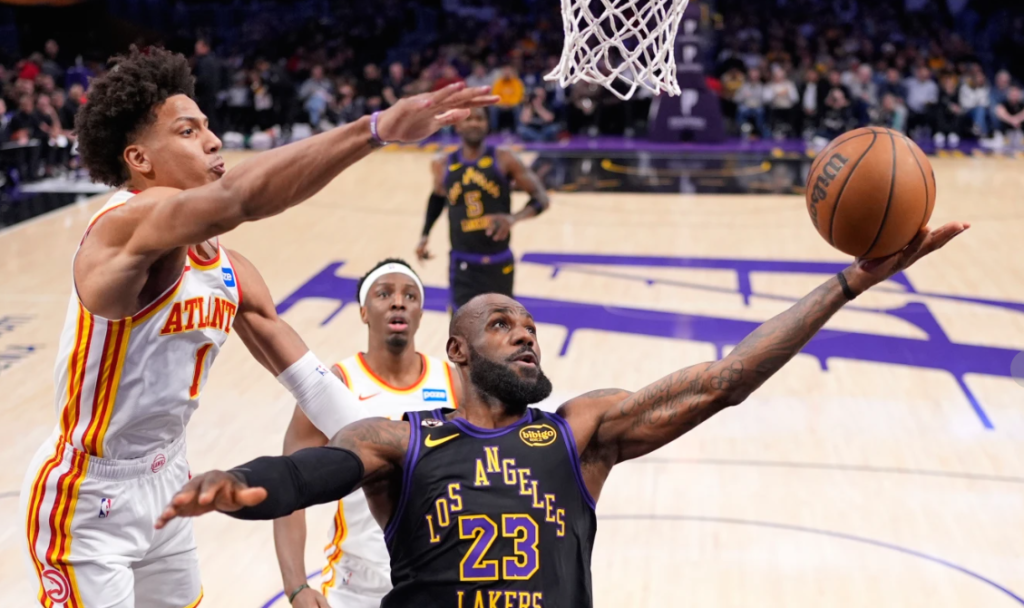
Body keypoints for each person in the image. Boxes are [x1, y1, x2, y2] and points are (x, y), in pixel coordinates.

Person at [158, 222, 968, 607]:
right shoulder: (404, 441)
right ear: (458, 351)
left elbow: (723, 380)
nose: (525, 334)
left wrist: (849, 284)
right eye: (502, 324)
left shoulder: (578, 433)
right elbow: (309, 475)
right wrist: (239, 483)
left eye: (531, 326)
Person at [18, 46, 496, 608]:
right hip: (88, 493)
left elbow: (313, 385)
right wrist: (375, 129)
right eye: (188, 131)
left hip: (167, 478)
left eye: (207, 126)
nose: (213, 140)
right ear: (139, 159)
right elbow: (239, 198)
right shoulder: (119, 231)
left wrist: (411, 459)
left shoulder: (229, 271)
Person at [274, 259, 461, 608]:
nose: (398, 302)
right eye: (384, 294)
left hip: (437, 582)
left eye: (410, 296)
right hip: (354, 588)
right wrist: (296, 586)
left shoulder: (455, 384)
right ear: (363, 311)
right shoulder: (337, 385)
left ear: (420, 313)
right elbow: (289, 487)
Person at [415, 107, 550, 312]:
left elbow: (541, 198)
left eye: (480, 119)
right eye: (468, 119)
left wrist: (513, 219)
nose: (474, 123)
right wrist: (425, 235)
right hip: (463, 264)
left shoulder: (505, 159)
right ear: (457, 125)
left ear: (487, 124)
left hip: (498, 262)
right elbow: (437, 198)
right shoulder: (442, 164)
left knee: (502, 326)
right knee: (461, 326)